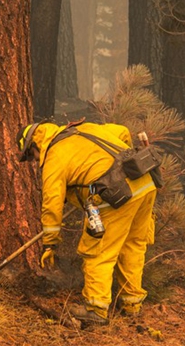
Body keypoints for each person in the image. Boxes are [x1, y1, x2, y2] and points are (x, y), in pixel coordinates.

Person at [17, 120, 158, 325]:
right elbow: (123, 131)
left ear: (35, 146)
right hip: (145, 183)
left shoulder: (55, 156)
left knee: (98, 251)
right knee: (132, 245)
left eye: (31, 156)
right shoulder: (84, 129)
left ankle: (96, 309)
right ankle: (131, 304)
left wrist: (50, 243)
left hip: (116, 195)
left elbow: (51, 204)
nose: (33, 161)